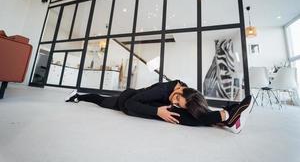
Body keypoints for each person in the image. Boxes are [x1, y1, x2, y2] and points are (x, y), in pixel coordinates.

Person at [65, 80, 254, 134]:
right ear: (179, 90)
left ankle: (226, 115)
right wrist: (158, 111)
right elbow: (132, 103)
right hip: (126, 102)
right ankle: (78, 96)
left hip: (145, 105)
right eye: (176, 99)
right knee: (100, 100)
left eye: (179, 102)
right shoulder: (163, 91)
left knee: (182, 115)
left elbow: (189, 105)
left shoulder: (184, 91)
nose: (174, 102)